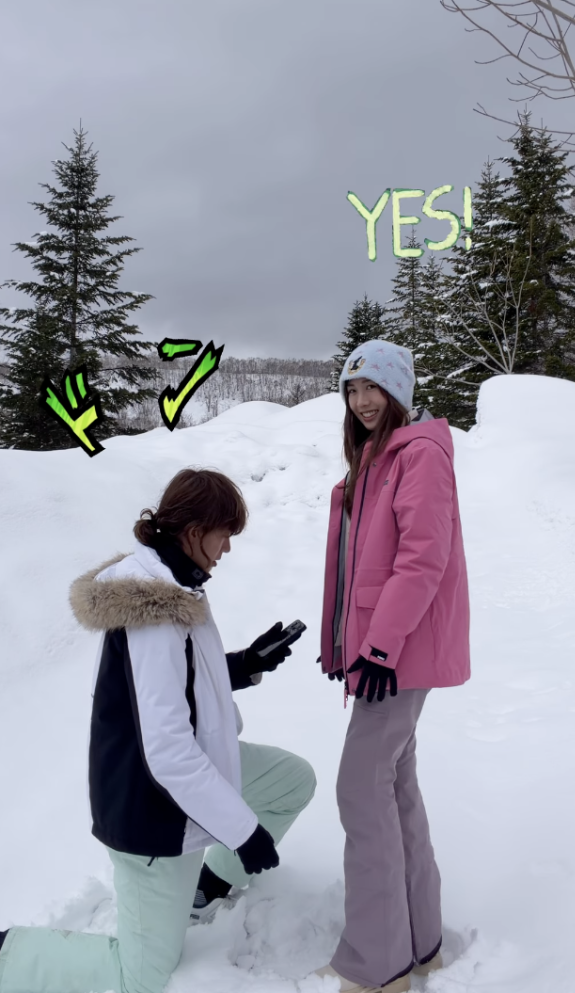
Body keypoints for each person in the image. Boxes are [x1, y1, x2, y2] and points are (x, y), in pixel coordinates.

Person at [0, 468, 316, 993]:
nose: (228, 548)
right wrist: (242, 832)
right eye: (225, 534)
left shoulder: (174, 583)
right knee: (141, 978)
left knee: (291, 781)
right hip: (151, 811)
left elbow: (179, 685)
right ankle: (8, 953)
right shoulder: (155, 611)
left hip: (193, 775)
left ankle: (206, 888)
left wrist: (245, 664)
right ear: (194, 531)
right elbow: (167, 751)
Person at [314, 339, 470, 993]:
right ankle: (419, 941)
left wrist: (377, 648)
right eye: (352, 390)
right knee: (393, 784)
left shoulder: (418, 454)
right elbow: (362, 565)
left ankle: (378, 965)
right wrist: (344, 646)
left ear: (398, 390)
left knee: (360, 788)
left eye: (373, 387)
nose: (362, 400)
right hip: (388, 651)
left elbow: (422, 559)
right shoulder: (377, 458)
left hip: (399, 653)